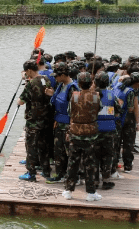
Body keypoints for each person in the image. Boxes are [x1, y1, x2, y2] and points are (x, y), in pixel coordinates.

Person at [62, 71, 102, 201]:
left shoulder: (74, 96)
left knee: (72, 163)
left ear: (78, 83)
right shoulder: (96, 96)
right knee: (90, 164)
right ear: (91, 83)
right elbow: (99, 109)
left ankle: (68, 191)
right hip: (90, 135)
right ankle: (91, 193)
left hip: (75, 133)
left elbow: (69, 112)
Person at [17, 60, 52, 182]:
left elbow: (21, 101)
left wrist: (18, 99)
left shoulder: (31, 84)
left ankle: (31, 173)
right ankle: (46, 171)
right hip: (46, 118)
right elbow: (48, 92)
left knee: (31, 146)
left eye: (26, 72)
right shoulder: (45, 79)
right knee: (44, 145)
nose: (26, 74)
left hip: (34, 120)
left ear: (29, 71)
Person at [46, 62, 79, 183]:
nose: (55, 78)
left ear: (64, 75)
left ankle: (73, 176)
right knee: (58, 150)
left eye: (57, 76)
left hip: (68, 125)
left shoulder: (73, 88)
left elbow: (75, 109)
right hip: (59, 122)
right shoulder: (61, 86)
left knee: (69, 151)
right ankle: (60, 174)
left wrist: (71, 127)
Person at [93, 71, 119, 191]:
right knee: (108, 155)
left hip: (94, 129)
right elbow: (119, 111)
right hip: (109, 129)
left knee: (94, 155)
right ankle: (106, 180)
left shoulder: (91, 95)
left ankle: (94, 180)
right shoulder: (112, 95)